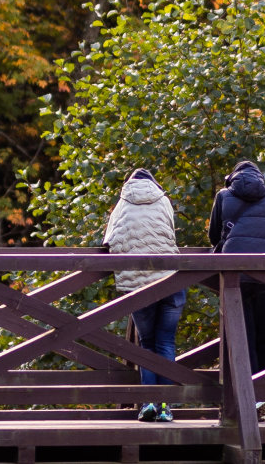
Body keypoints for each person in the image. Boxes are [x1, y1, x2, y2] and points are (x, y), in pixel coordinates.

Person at [102, 168, 185, 423]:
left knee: (147, 345)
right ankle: (165, 407)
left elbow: (108, 241)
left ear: (128, 185)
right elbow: (170, 233)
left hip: (138, 285)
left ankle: (148, 402)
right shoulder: (164, 201)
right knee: (166, 343)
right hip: (169, 280)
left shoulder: (121, 206)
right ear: (154, 183)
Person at [208, 161, 265, 421]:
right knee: (264, 335)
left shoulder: (223, 195)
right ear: (260, 178)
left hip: (234, 276)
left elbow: (213, 235)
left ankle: (244, 398)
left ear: (233, 178)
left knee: (241, 337)